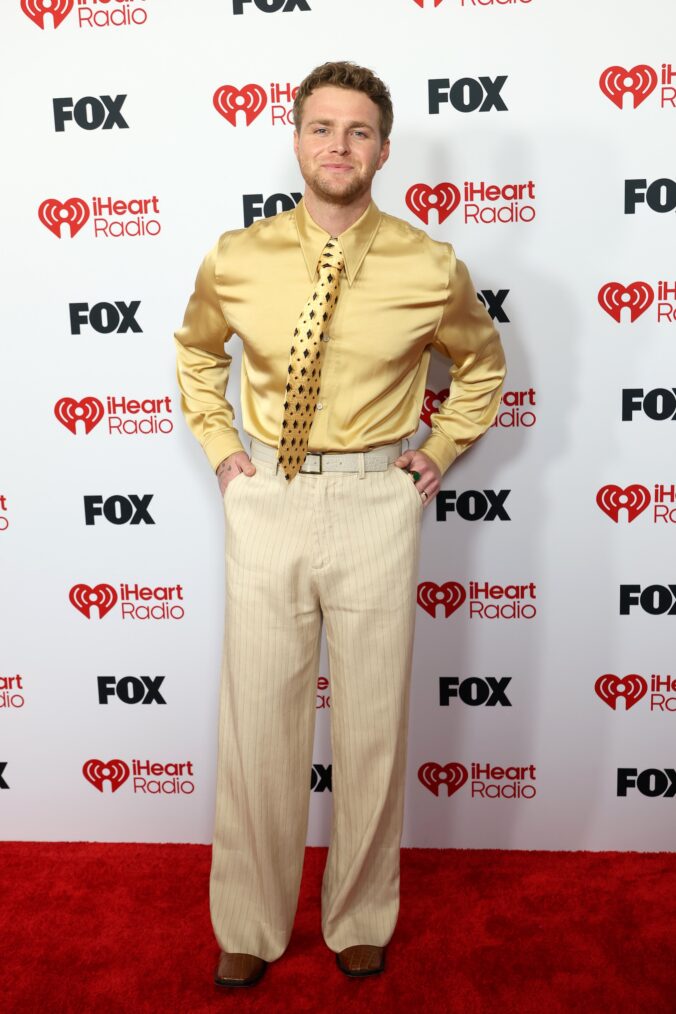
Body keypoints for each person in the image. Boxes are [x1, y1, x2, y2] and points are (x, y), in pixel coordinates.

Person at [174, 60, 506, 988]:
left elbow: (482, 368)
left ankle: (361, 914)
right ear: (296, 138)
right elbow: (198, 356)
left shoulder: (429, 264)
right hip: (268, 499)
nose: (339, 146)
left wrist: (434, 458)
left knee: (370, 726)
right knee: (259, 724)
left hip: (374, 503)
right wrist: (222, 453)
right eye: (323, 128)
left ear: (384, 150)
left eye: (358, 132)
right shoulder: (235, 258)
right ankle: (248, 920)